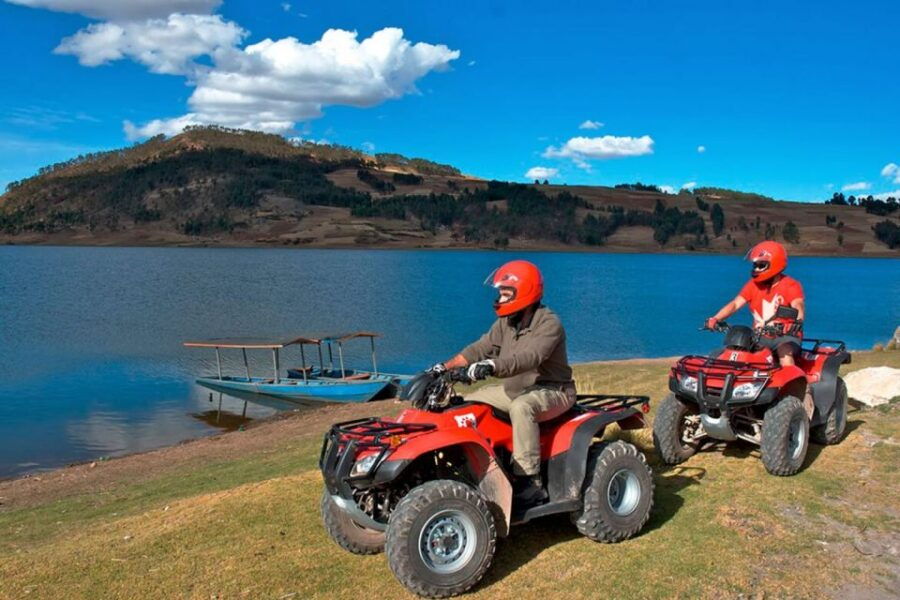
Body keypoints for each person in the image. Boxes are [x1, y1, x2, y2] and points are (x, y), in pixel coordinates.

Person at [430, 260, 576, 504]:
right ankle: (474, 462)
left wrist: (492, 366)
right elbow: (480, 348)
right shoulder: (506, 322)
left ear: (526, 291)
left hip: (553, 391)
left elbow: (530, 358)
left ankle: (530, 481)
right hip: (516, 389)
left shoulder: (549, 323)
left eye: (506, 293)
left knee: (522, 408)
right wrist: (443, 367)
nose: (501, 297)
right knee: (467, 404)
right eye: (500, 292)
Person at [705, 241, 805, 366]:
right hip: (760, 336)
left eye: (761, 265)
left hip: (786, 336)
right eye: (755, 265)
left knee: (784, 352)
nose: (756, 269)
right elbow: (735, 304)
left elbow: (798, 304)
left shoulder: (790, 285)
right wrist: (716, 318)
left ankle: (794, 383)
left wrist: (798, 321)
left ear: (774, 264)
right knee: (736, 350)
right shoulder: (753, 285)